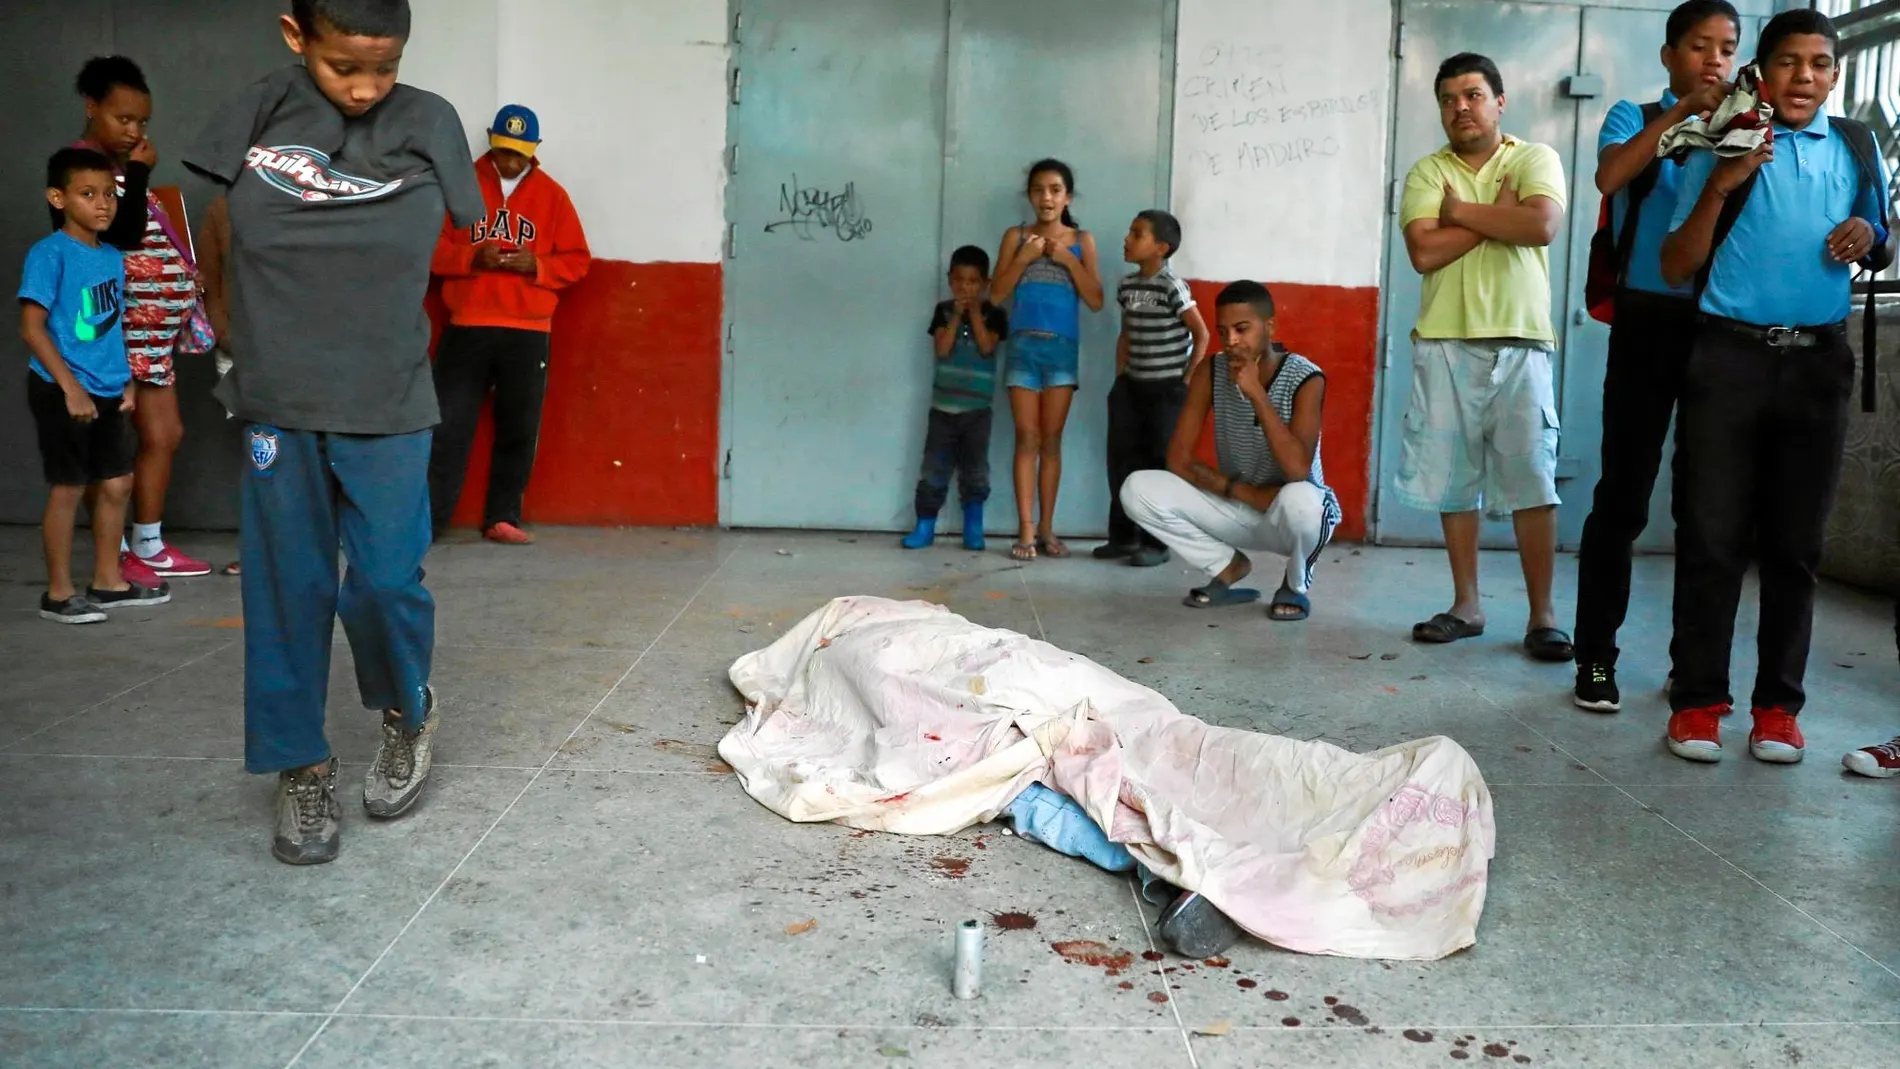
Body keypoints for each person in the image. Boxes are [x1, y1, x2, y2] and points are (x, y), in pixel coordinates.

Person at [183, 0, 483, 864]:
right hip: (279, 396)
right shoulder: (255, 112)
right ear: (294, 36)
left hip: (388, 396)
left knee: (387, 580)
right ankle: (301, 765)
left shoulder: (428, 120)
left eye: (383, 67)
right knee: (287, 588)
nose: (364, 88)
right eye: (343, 65)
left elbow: (463, 235)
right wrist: (226, 327)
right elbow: (219, 225)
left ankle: (406, 712)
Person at [1658, 9, 1891, 764]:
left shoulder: (1857, 147)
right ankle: (1697, 702)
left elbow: (1880, 238)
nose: (1805, 77)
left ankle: (1777, 709)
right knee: (1713, 536)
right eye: (1788, 63)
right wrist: (1723, 185)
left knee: (1796, 545)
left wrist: (1871, 236)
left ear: (1835, 74)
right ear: (1760, 73)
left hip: (1818, 363)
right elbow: (1675, 263)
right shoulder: (1724, 140)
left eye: (1820, 64)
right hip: (1728, 358)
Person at [1572, 1, 1741, 713]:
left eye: (1727, 49)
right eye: (1699, 47)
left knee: (1706, 506)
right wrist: (1678, 117)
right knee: (1623, 495)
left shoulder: (1748, 123)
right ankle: (1597, 659)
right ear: (1669, 56)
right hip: (1646, 321)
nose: (1714, 61)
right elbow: (1611, 178)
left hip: (1722, 325)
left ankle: (1690, 667)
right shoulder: (1633, 113)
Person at [1395, 52, 1572, 662]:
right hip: (1444, 340)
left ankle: (1543, 617)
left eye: (1472, 95)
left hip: (1522, 342)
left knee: (1533, 480)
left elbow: (1542, 226)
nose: (1460, 107)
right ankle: (1466, 605)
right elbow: (1423, 252)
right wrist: (1501, 216)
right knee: (1453, 482)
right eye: (1447, 98)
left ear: (1500, 102)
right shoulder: (1425, 171)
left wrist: (1460, 213)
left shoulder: (1533, 158)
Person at [1120, 281, 1341, 621]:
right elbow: (1177, 458)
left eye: (1242, 329)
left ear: (1270, 328)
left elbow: (1298, 470)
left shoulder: (1306, 377)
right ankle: (1227, 564)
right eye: (1223, 332)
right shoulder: (1212, 370)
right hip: (1239, 503)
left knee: (1303, 501)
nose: (1232, 341)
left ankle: (1294, 586)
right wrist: (1236, 491)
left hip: (1287, 515)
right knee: (1137, 488)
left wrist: (1255, 392)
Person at [73, 56, 212, 584]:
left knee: (164, 433)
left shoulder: (127, 171)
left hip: (152, 337)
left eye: (142, 122)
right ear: (92, 108)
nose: (134, 132)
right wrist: (138, 173)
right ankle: (117, 554)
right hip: (114, 332)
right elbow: (116, 241)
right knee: (110, 444)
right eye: (123, 119)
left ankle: (148, 543)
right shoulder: (80, 169)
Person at [426, 104, 592, 545]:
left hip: (528, 329)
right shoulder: (461, 186)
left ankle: (503, 517)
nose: (511, 162)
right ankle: (429, 520)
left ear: (534, 149)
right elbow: (428, 249)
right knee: (447, 427)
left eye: (519, 154)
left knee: (519, 427)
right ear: (490, 140)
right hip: (468, 323)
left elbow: (578, 261)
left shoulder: (553, 196)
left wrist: (535, 265)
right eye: (503, 151)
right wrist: (469, 257)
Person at [19, 147, 171, 624]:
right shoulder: (49, 253)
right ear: (58, 198)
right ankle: (59, 594)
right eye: (88, 194)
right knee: (68, 487)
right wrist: (70, 388)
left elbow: (111, 324)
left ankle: (108, 582)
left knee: (116, 483)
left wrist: (124, 381)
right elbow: (32, 327)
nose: (102, 204)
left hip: (107, 388)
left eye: (108, 194)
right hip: (61, 388)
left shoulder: (110, 256)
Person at [989, 159, 1104, 562]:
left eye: (1055, 189)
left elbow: (1095, 300)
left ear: (1067, 196)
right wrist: (1023, 258)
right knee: (1027, 437)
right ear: (1029, 196)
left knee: (1051, 440)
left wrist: (1068, 260)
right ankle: (1025, 529)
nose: (1047, 197)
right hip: (1023, 347)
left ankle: (1048, 528)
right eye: (1039, 189)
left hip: (1061, 349)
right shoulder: (1015, 237)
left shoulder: (1082, 240)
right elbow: (996, 294)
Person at [1095, 209, 1209, 568]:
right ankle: (1123, 538)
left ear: (1161, 247)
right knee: (1122, 462)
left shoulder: (1171, 286)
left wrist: (1185, 381)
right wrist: (1120, 379)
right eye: (1129, 232)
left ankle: (1156, 544)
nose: (1127, 239)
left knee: (1157, 466)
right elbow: (1126, 334)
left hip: (1165, 391)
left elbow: (1201, 334)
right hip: (1131, 387)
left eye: (1137, 234)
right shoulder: (1127, 286)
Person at [901, 245, 1007, 551]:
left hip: (977, 412)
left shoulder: (995, 314)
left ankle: (973, 527)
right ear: (950, 280)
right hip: (942, 409)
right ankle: (925, 526)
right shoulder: (943, 311)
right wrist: (957, 315)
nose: (965, 287)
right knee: (934, 467)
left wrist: (973, 313)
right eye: (959, 280)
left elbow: (988, 347)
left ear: (985, 284)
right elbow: (942, 349)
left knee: (975, 470)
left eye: (973, 282)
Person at [197, 193, 242, 578]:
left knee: (303, 443)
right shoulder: (223, 205)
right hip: (239, 342)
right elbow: (207, 273)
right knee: (261, 448)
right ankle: (263, 546)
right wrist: (221, 327)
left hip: (301, 343)